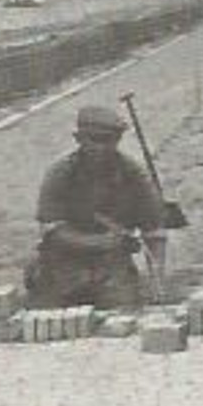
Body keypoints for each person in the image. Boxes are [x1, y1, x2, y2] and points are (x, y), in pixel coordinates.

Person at [26, 105, 168, 309]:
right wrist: (99, 242)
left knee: (124, 314)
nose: (101, 147)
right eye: (94, 140)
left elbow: (154, 232)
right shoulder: (61, 174)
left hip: (112, 263)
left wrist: (157, 278)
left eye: (109, 140)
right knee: (47, 318)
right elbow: (51, 229)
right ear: (78, 138)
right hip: (65, 258)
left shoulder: (132, 174)